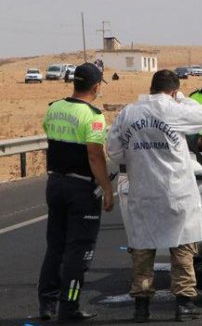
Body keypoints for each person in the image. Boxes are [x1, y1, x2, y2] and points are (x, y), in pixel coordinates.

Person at [107, 70, 202, 322]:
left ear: (151, 88)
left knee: (142, 249)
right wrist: (182, 100)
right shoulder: (173, 109)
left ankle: (141, 306)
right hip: (176, 192)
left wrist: (139, 155)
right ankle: (184, 304)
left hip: (143, 191)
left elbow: (114, 151)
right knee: (182, 247)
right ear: (174, 91)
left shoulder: (129, 113)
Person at [37, 63, 113, 323]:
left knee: (55, 246)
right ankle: (69, 307)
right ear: (96, 86)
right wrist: (107, 188)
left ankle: (46, 304)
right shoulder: (93, 116)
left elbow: (51, 136)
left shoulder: (54, 107)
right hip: (81, 188)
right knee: (78, 252)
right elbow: (95, 155)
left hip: (55, 183)